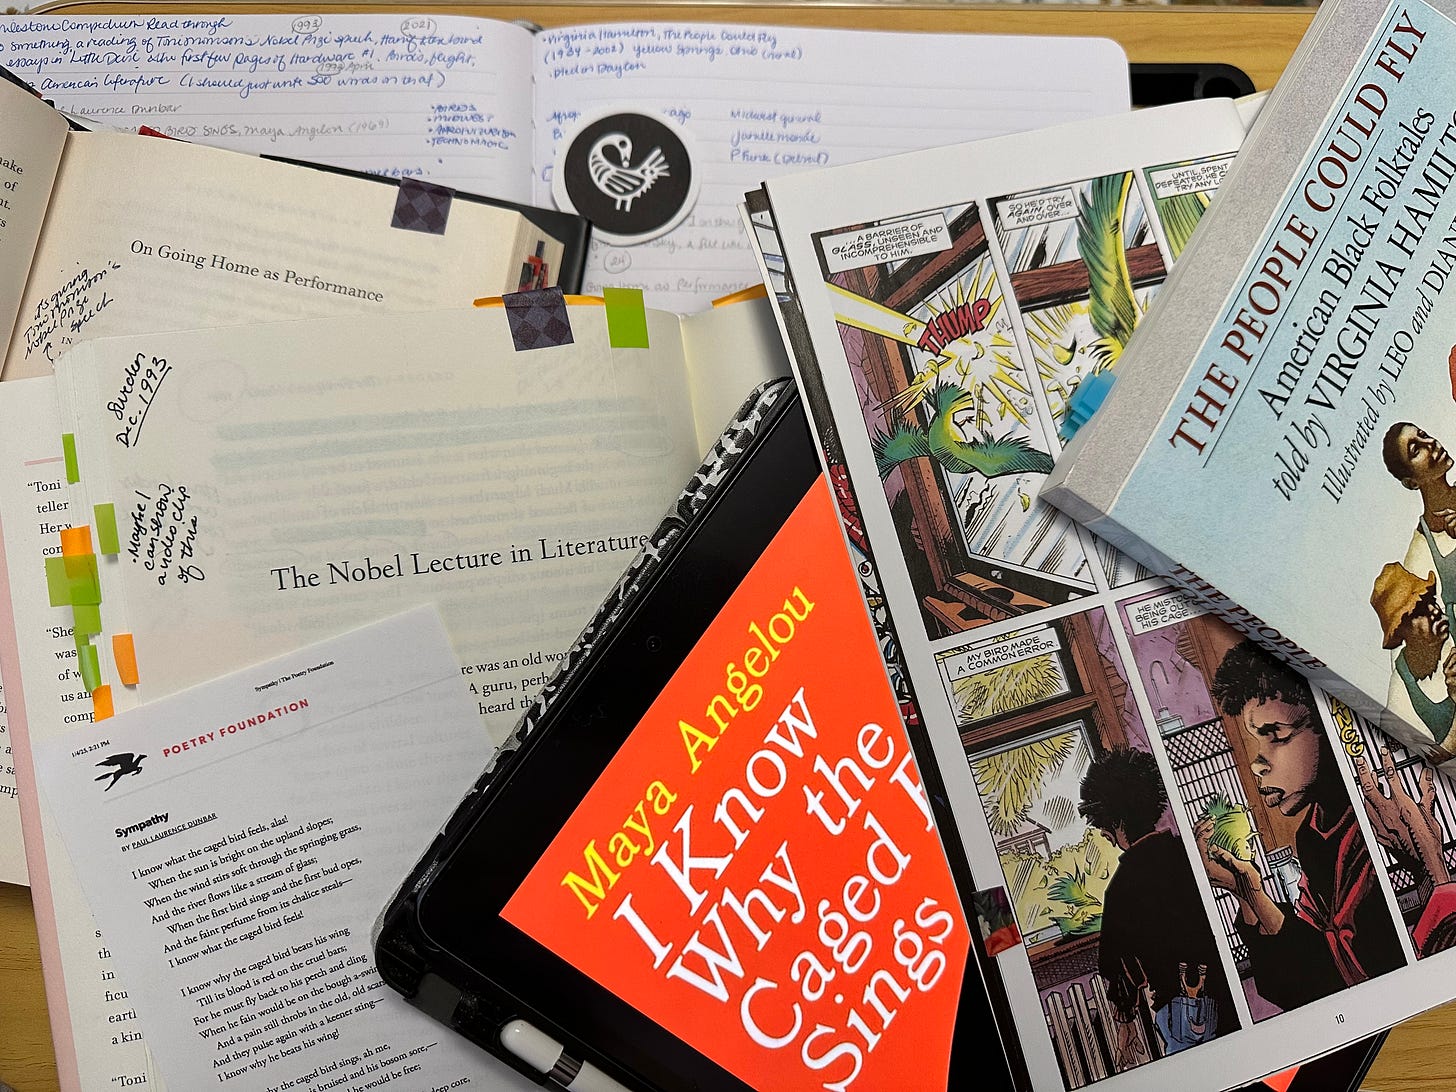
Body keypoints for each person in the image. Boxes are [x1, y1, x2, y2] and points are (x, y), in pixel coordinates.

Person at [1198, 641, 1405, 1011]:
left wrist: (1253, 894)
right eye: (1254, 741)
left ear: (1329, 725)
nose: (1258, 764)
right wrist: (1246, 891)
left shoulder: (1383, 824)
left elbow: (1340, 973)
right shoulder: (1312, 834)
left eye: (1275, 736)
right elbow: (1296, 984)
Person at [1078, 747, 1237, 1069]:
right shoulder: (1189, 856)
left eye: (1104, 825)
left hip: (1178, 1005)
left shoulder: (1122, 888)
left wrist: (1125, 1028)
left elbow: (1118, 966)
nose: (1104, 834)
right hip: (1225, 987)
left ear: (1117, 821)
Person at [1369, 561, 1456, 756]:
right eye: (1421, 610)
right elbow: (1438, 759)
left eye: (1431, 600)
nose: (1435, 611)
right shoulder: (1401, 699)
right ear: (1401, 630)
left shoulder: (1453, 619)